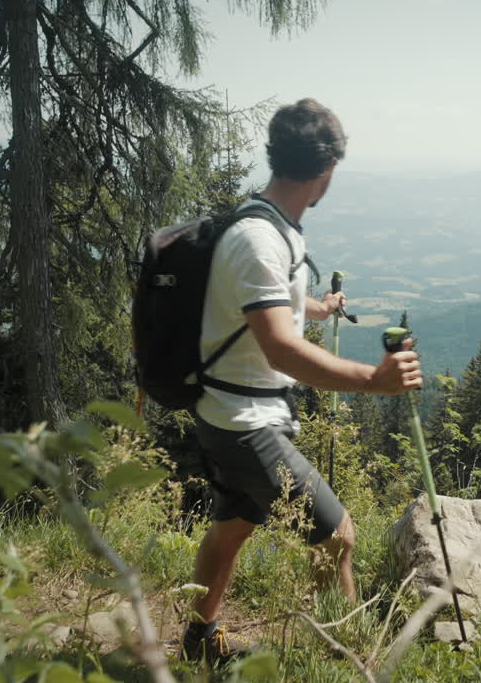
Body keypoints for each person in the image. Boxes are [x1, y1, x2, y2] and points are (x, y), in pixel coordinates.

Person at [182, 98, 422, 664]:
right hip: (245, 423)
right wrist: (373, 379)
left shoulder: (268, 223)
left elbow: (267, 311)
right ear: (327, 169)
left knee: (233, 526)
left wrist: (317, 307)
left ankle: (198, 639)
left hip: (228, 413)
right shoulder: (260, 240)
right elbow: (279, 347)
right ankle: (343, 663)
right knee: (337, 537)